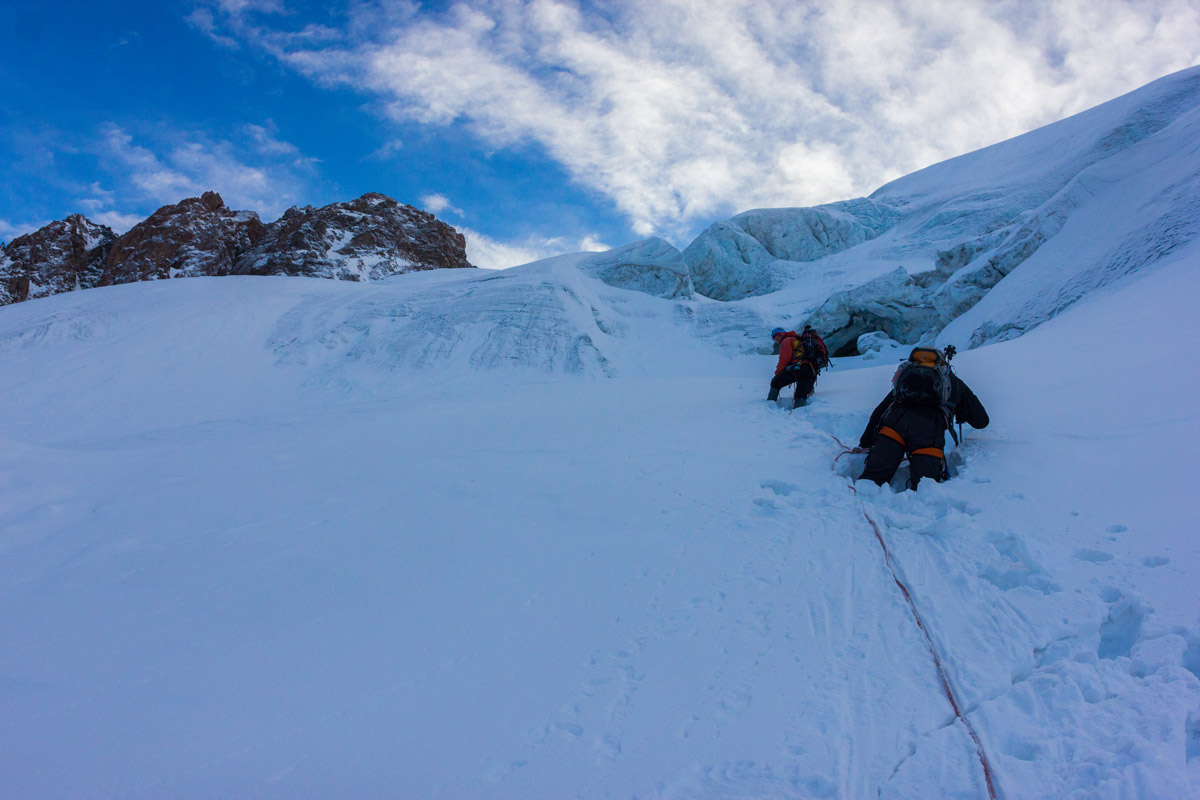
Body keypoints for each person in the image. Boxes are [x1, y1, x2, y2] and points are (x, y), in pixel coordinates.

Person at [857, 346, 988, 489]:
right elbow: (981, 421)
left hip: (895, 424)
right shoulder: (951, 381)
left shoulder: (906, 378)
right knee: (925, 486)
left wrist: (866, 443)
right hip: (929, 432)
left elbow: (880, 412)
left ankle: (860, 498)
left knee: (871, 480)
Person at [767, 325, 827, 409]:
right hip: (811, 370)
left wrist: (778, 374)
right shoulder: (801, 340)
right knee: (801, 393)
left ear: (783, 334)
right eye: (775, 339)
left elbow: (784, 359)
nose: (777, 340)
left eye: (778, 337)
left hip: (798, 368)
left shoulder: (787, 340)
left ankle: (768, 406)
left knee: (775, 383)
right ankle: (799, 411)